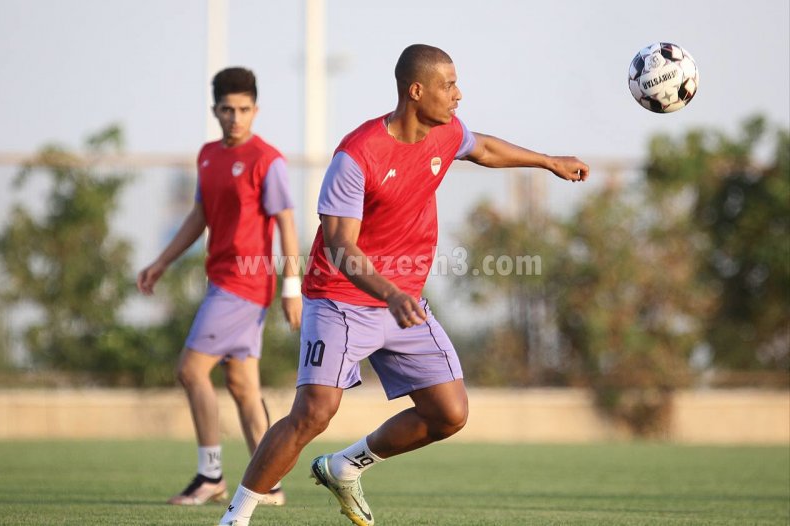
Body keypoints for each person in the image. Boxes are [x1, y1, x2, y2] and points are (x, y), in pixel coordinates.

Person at [218, 44, 589, 526]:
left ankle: (344, 466)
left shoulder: (445, 133)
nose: (459, 95)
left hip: (403, 303)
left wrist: (547, 161)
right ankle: (236, 517)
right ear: (416, 91)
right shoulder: (357, 155)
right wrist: (390, 292)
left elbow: (485, 148)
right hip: (342, 300)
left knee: (448, 413)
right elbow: (339, 247)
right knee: (314, 412)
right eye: (448, 85)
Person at [137, 67, 302, 507]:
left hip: (244, 283)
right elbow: (199, 217)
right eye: (227, 109)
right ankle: (270, 484)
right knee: (243, 386)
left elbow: (287, 223)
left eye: (244, 109)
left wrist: (292, 286)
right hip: (222, 279)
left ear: (256, 110)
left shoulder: (268, 159)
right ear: (215, 110)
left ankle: (210, 476)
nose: (236, 117)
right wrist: (161, 262)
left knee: (190, 371)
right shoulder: (208, 155)